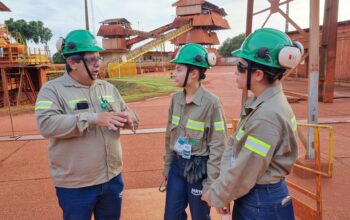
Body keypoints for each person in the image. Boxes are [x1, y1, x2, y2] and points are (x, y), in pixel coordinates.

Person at [35, 29, 138, 220]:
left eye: (99, 58)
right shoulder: (52, 90)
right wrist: (92, 118)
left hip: (112, 179)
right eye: (92, 59)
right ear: (73, 62)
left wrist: (129, 117)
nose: (99, 63)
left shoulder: (107, 88)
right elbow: (46, 125)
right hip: (76, 186)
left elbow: (130, 112)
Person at [202, 28, 303, 220]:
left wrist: (218, 194)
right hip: (254, 195)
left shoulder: (266, 115)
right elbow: (233, 145)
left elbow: (246, 168)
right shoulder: (259, 102)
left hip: (261, 202)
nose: (235, 71)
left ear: (257, 74)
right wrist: (225, 189)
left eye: (240, 66)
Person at [163, 43, 228, 220]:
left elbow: (219, 146)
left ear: (193, 73)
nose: (173, 73)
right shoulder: (175, 100)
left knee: (200, 216)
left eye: (178, 69)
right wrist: (167, 168)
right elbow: (170, 136)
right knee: (171, 216)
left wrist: (211, 183)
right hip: (177, 167)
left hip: (198, 170)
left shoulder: (212, 103)